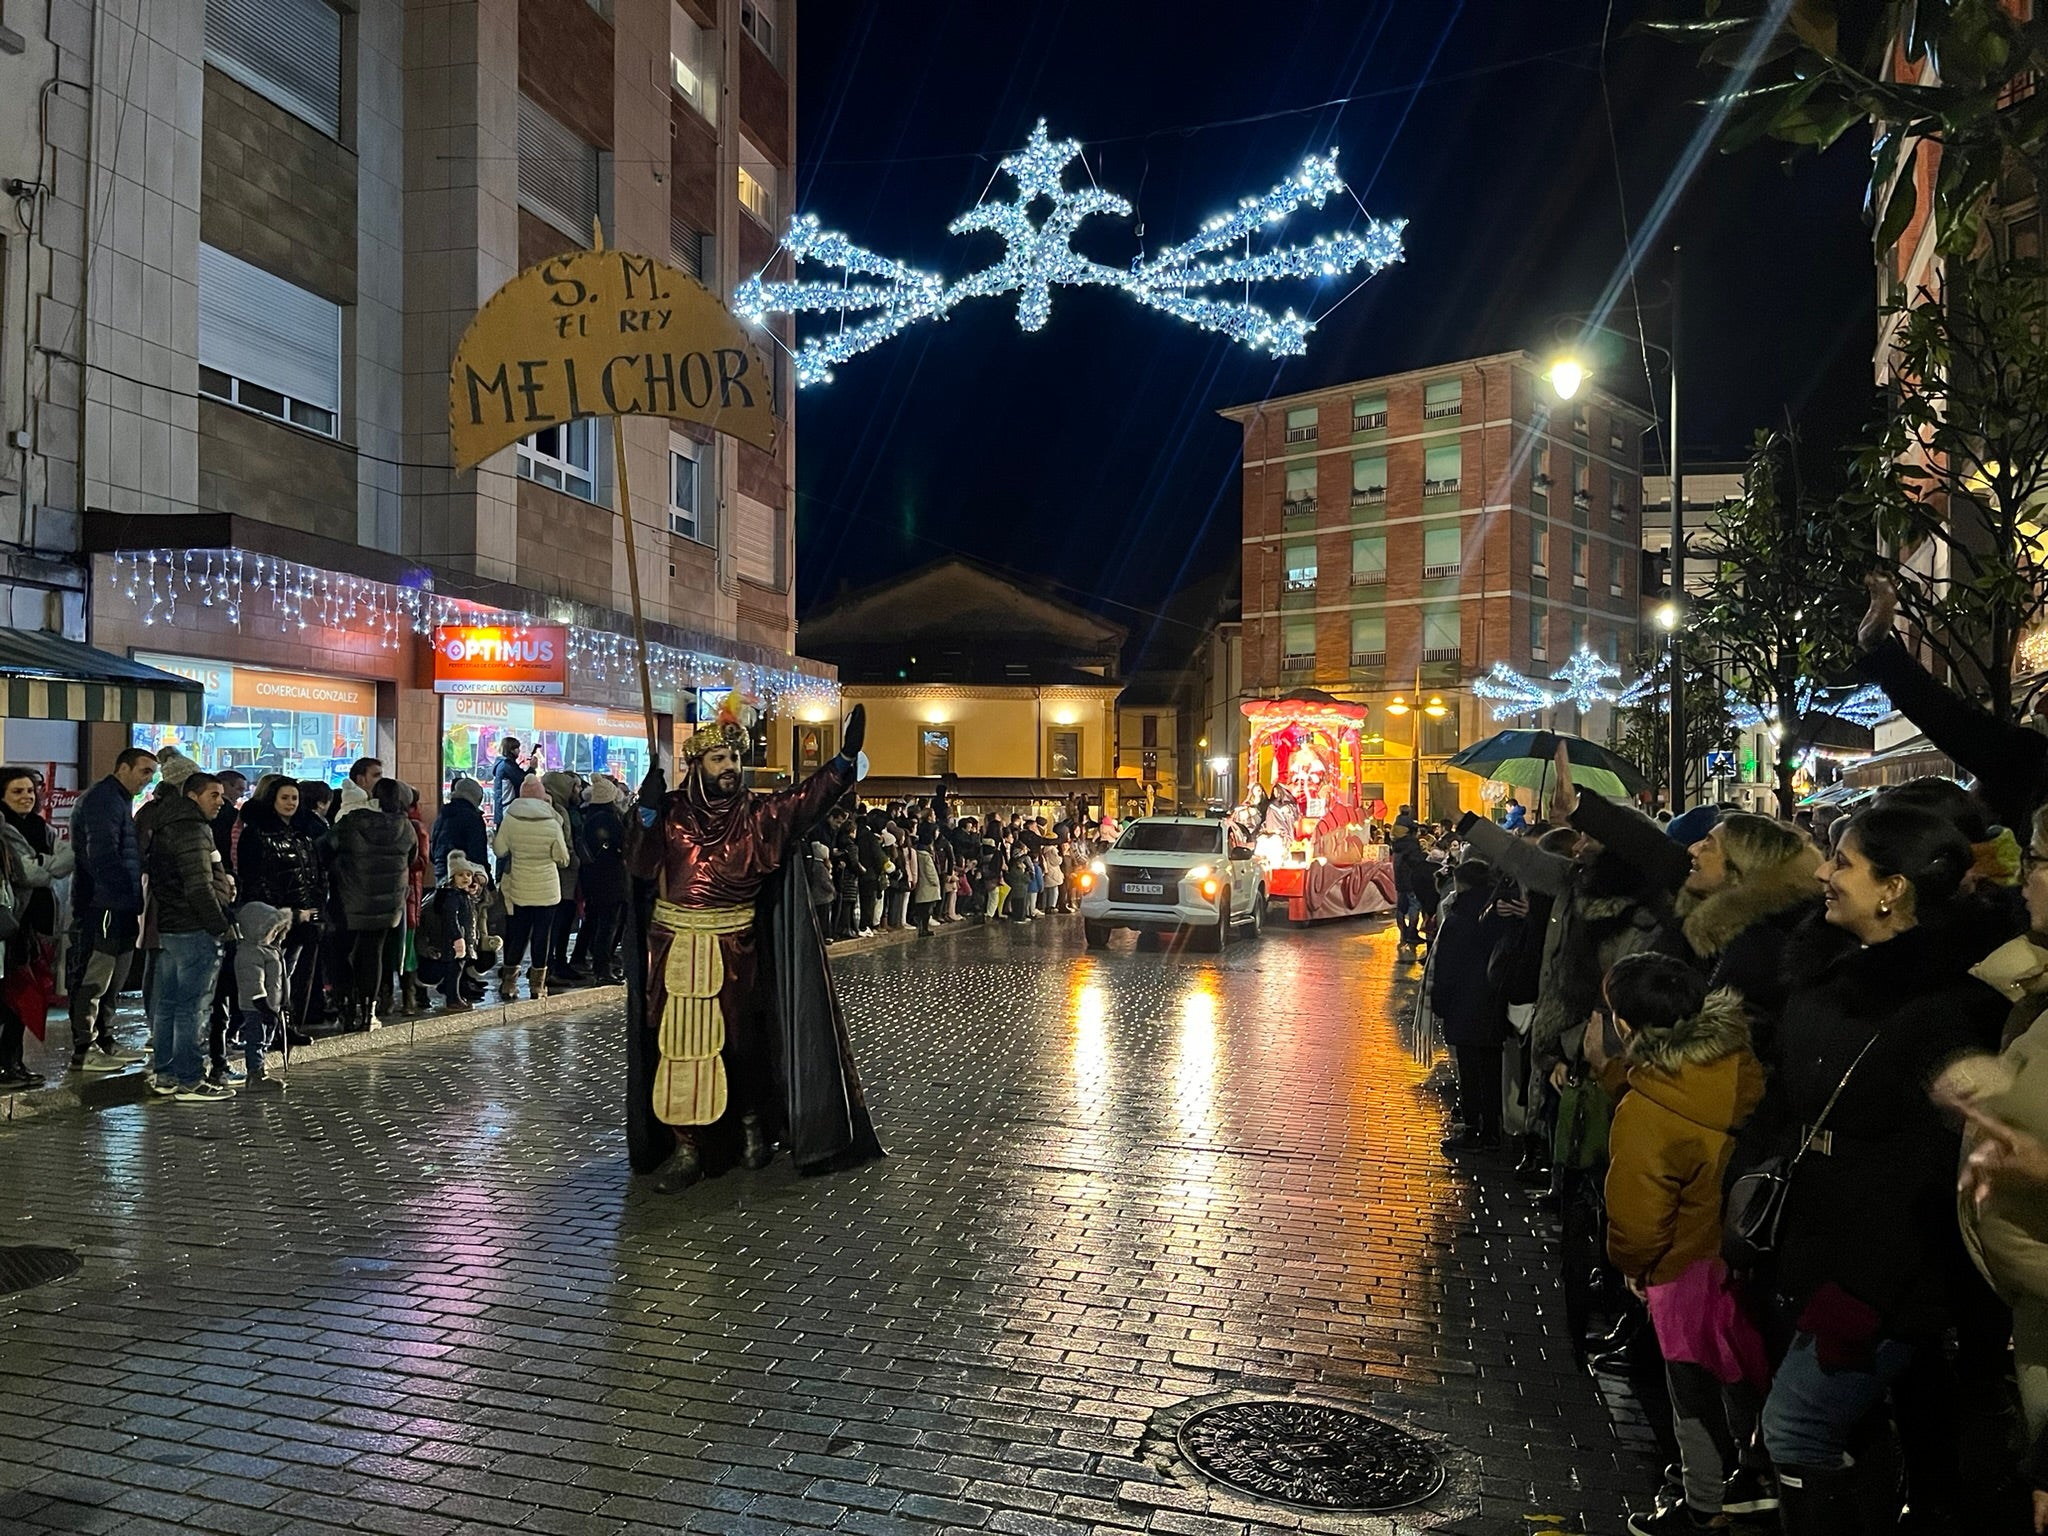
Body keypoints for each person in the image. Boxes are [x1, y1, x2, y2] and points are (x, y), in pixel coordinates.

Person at [1739, 803, 2012, 1529]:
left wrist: (1862, 1292)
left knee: (1796, 1427)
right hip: (1811, 1245)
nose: (1824, 874)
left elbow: (1926, 1167)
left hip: (1881, 1275)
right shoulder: (1829, 971)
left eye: (1844, 862)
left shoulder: (1947, 1007)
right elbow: (1786, 1103)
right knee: (1875, 1438)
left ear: (1893, 886)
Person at [624, 700, 880, 1194]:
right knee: (675, 1045)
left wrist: (843, 762)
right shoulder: (672, 812)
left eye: (735, 760)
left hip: (734, 946)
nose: (730, 769)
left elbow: (805, 801)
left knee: (737, 1043)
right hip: (673, 946)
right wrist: (646, 812)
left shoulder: (759, 816)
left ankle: (748, 1124)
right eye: (719, 759)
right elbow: (639, 864)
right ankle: (685, 1147)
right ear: (697, 764)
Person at [1595, 953, 1769, 1535]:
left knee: (1691, 1394)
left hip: (1682, 1266)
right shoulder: (1740, 1065)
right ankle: (1751, 1479)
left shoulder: (1649, 1108)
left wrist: (1632, 1264)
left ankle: (1703, 1506)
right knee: (1743, 1382)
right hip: (1744, 1256)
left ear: (1627, 1024)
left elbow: (1639, 1214)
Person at [144, 771, 237, 1101]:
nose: (221, 801)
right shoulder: (193, 830)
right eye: (214, 795)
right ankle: (190, 1079)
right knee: (193, 1008)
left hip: (171, 926)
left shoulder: (167, 824)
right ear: (194, 795)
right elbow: (199, 886)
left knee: (167, 1003)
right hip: (193, 927)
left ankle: (165, 1073)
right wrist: (220, 925)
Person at [66, 746, 157, 1071]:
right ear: (123, 768)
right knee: (95, 977)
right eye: (144, 771)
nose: (148, 780)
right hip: (102, 904)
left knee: (115, 977)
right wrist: (121, 888)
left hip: (120, 903)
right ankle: (84, 1048)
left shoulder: (118, 799)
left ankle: (105, 1039)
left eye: (151, 773)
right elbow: (101, 853)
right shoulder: (103, 799)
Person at [233, 776, 323, 1051]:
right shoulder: (256, 833)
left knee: (289, 973)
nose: (290, 803)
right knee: (269, 976)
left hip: (302, 915)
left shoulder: (301, 833)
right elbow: (255, 878)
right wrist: (280, 913)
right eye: (285, 798)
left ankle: (285, 1024)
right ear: (272, 799)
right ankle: (263, 1030)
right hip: (272, 918)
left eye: (294, 798)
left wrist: (314, 908)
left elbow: (313, 874)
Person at [1428, 859, 1512, 1153]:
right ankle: (1491, 1130)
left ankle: (1473, 1129)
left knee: (1469, 1069)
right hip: (1492, 1000)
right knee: (1491, 1068)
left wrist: (1439, 999)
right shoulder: (1499, 912)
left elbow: (1447, 965)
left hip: (1463, 1001)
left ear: (1461, 883)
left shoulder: (1460, 914)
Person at [0, 768, 74, 1088]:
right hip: (11, 926)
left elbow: (66, 857)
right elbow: (30, 874)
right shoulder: (4, 829)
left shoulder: (40, 826)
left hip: (37, 927)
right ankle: (6, 1065)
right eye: (17, 791)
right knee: (10, 999)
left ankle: (14, 1063)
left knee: (25, 1000)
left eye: (30, 791)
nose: (26, 797)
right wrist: (48, 864)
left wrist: (42, 863)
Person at [326, 777, 417, 1030]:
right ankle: (369, 1013)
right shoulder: (405, 826)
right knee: (372, 955)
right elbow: (413, 857)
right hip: (386, 905)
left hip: (348, 900)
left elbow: (323, 849)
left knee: (341, 953)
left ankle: (346, 1008)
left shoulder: (351, 822)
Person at [492, 776, 567, 1000]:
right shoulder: (553, 821)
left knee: (518, 934)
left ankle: (509, 984)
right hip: (547, 889)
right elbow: (562, 858)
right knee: (542, 936)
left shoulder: (510, 819)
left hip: (519, 887)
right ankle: (537, 986)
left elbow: (499, 850)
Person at [573, 775, 628, 983]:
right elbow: (624, 843)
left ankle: (583, 959)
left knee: (593, 920)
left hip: (592, 878)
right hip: (609, 879)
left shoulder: (590, 816)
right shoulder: (608, 819)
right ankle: (602, 970)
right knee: (607, 924)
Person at [229, 900, 291, 1085]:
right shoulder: (250, 952)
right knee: (256, 1040)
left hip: (269, 1007)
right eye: (271, 930)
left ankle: (260, 1070)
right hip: (257, 1007)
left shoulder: (269, 950)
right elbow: (252, 982)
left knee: (264, 1040)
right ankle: (255, 1073)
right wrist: (262, 1004)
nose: (274, 934)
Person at [414, 852, 484, 1013]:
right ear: (452, 877)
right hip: (455, 942)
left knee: (457, 970)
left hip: (460, 940)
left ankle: (454, 996)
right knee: (454, 970)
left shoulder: (461, 895)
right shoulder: (452, 897)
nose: (466, 878)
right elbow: (451, 919)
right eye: (460, 875)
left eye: (468, 874)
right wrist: (458, 938)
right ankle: (453, 999)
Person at [541, 770, 589, 985]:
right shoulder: (558, 812)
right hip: (561, 876)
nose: (577, 791)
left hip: (561, 877)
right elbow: (564, 846)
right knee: (556, 924)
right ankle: (551, 966)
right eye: (573, 788)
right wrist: (574, 860)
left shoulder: (565, 810)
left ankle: (557, 963)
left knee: (561, 922)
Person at [431, 775, 489, 879]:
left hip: (441, 871)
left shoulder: (443, 814)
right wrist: (489, 883)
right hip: (464, 875)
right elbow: (478, 854)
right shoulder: (473, 818)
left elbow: (433, 849)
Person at [491, 736, 528, 836]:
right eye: (517, 748)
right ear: (511, 750)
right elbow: (523, 780)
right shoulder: (507, 765)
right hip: (507, 808)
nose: (519, 751)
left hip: (502, 808)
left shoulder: (501, 764)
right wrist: (532, 769)